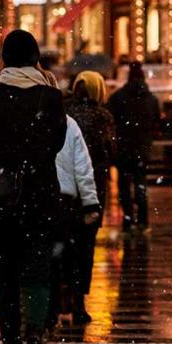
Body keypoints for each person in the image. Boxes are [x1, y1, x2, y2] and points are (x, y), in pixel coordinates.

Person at [0, 30, 67, 344]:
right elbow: (56, 143)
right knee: (38, 276)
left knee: (6, 281)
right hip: (40, 199)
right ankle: (36, 340)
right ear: (35, 56)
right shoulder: (52, 96)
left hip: (2, 200)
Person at [63, 71, 117, 322]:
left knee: (64, 243)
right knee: (85, 246)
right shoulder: (102, 116)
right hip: (92, 187)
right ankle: (78, 302)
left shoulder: (63, 113)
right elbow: (110, 150)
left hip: (64, 187)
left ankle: (61, 294)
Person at [46, 115, 103, 328]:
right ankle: (75, 306)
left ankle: (49, 312)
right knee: (72, 256)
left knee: (47, 259)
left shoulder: (27, 116)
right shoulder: (67, 123)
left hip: (38, 198)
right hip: (64, 199)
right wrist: (90, 201)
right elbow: (82, 167)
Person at [105, 62, 160, 230]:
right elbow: (157, 122)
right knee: (140, 183)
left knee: (124, 186)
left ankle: (128, 220)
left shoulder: (118, 97)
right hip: (142, 148)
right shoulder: (151, 99)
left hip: (123, 148)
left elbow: (109, 119)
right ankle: (143, 220)